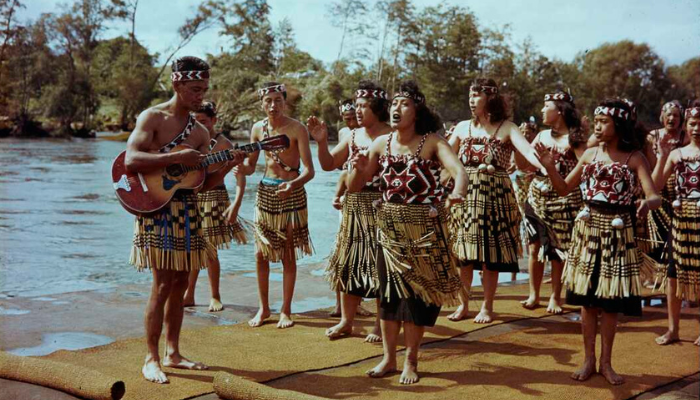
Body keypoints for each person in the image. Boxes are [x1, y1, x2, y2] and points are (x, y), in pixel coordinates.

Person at [125, 56, 244, 383]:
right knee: (162, 284)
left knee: (180, 284)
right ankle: (150, 357)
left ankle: (173, 352)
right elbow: (131, 159)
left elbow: (204, 183)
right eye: (194, 89)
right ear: (176, 83)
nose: (200, 96)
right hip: (155, 208)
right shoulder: (152, 117)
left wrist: (230, 165)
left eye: (204, 89)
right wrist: (178, 155)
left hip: (188, 209)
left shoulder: (201, 132)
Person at [347, 80, 467, 385]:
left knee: (416, 298)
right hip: (389, 230)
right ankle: (388, 358)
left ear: (417, 111)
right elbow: (355, 188)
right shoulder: (380, 144)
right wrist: (359, 169)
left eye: (405, 104)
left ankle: (411, 360)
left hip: (424, 231)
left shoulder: (432, 142)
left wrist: (458, 193)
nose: (397, 109)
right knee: (388, 297)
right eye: (395, 104)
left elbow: (458, 171)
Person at [536, 98, 660, 385]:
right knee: (587, 301)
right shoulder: (589, 154)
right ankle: (588, 359)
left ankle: (606, 362)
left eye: (604, 121)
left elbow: (653, 194)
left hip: (617, 235)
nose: (598, 125)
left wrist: (646, 203)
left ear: (619, 126)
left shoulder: (634, 158)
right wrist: (549, 166)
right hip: (587, 232)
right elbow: (564, 188)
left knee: (610, 303)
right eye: (597, 120)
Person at [446, 78, 544, 323]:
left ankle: (487, 307)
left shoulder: (508, 127)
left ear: (490, 98)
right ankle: (463, 304)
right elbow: (444, 160)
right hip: (466, 194)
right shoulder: (461, 128)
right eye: (470, 95)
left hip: (495, 195)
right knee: (463, 253)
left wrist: (545, 165)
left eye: (477, 95)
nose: (471, 99)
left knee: (491, 255)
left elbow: (528, 151)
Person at [308, 81, 392, 342]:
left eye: (363, 106)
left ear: (377, 108)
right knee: (348, 263)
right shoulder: (351, 136)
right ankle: (347, 321)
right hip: (353, 205)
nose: (357, 111)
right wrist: (321, 142)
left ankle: (380, 325)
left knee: (380, 265)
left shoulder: (391, 136)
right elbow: (328, 164)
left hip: (381, 204)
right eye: (356, 106)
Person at [243, 82, 315, 329]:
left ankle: (286, 310)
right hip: (265, 193)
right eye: (268, 101)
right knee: (260, 253)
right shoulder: (256, 129)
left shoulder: (297, 129)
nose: (273, 105)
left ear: (285, 102)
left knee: (287, 253)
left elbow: (309, 170)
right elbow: (251, 167)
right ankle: (263, 309)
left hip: (292, 194)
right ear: (262, 103)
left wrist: (293, 185)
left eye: (278, 100)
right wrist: (237, 166)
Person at [521, 92, 586, 313]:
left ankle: (556, 297)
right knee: (534, 246)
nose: (541, 110)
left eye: (545, 105)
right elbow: (527, 164)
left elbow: (584, 169)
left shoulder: (575, 140)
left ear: (559, 111)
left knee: (559, 250)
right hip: (537, 196)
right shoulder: (540, 136)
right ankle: (533, 294)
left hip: (564, 199)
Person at [183, 101, 248, 312]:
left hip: (215, 197)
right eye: (195, 121)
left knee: (210, 249)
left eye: (203, 121)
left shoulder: (225, 144)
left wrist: (236, 205)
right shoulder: (190, 141)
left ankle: (215, 296)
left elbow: (240, 178)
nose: (199, 125)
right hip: (193, 195)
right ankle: (189, 294)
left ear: (214, 121)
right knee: (193, 248)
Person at [651, 101, 700, 346]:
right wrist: (661, 156)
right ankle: (673, 329)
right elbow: (656, 186)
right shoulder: (676, 154)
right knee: (672, 275)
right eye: (693, 123)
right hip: (680, 222)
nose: (697, 128)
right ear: (687, 126)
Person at [643, 101, 687, 264]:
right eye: (668, 114)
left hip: (679, 189)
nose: (672, 118)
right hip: (657, 184)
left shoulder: (686, 136)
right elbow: (648, 164)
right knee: (658, 229)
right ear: (662, 117)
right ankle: (658, 266)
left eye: (676, 115)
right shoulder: (652, 136)